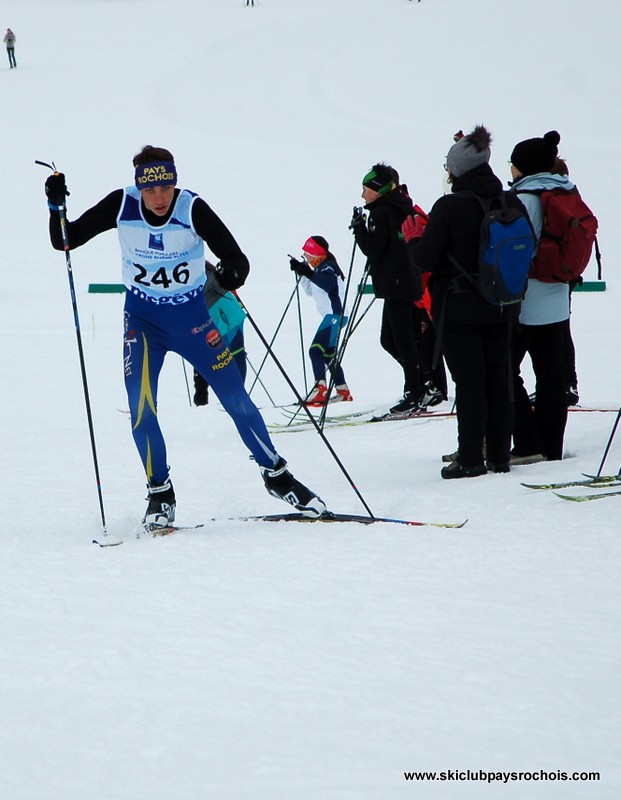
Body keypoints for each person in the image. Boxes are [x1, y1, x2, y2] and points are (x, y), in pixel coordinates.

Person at [44, 145, 326, 528]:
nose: (159, 198)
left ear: (174, 182)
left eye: (166, 187)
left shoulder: (191, 208)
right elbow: (65, 240)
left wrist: (228, 277)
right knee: (141, 408)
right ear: (139, 187)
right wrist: (55, 206)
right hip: (143, 323)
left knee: (237, 401)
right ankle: (160, 492)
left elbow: (238, 262)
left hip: (193, 321)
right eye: (151, 189)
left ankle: (277, 475)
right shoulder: (120, 204)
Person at [412, 125, 529, 479]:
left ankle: (471, 459)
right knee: (499, 379)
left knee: (470, 382)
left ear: (458, 169)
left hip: (460, 307)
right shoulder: (511, 201)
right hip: (503, 305)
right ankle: (499, 456)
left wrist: (414, 240)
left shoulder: (449, 206)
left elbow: (425, 260)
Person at [350, 163, 435, 414]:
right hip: (408, 279)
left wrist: (359, 229)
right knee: (398, 339)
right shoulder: (403, 205)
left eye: (366, 189)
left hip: (395, 282)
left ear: (378, 189)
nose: (363, 194)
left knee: (397, 339)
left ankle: (416, 389)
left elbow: (374, 250)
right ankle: (421, 384)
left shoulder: (381, 212)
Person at [508, 131, 571, 462]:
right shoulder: (564, 190)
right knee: (551, 376)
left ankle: (530, 444)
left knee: (505, 369)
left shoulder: (527, 197)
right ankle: (551, 447)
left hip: (528, 300)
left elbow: (520, 249)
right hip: (558, 296)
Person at [289, 236, 353, 406]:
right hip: (333, 317)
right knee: (328, 354)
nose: (306, 257)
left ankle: (320, 389)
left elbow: (328, 285)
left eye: (307, 254)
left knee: (315, 351)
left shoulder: (328, 267)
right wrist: (302, 273)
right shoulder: (319, 270)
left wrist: (307, 272)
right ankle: (342, 390)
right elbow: (312, 290)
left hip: (334, 316)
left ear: (317, 254)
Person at [193, 263, 247, 406]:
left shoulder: (204, 272)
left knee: (236, 352)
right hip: (212, 321)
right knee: (206, 355)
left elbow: (197, 291)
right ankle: (202, 398)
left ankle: (239, 395)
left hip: (229, 316)